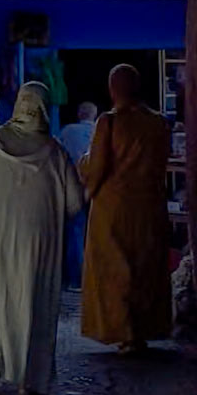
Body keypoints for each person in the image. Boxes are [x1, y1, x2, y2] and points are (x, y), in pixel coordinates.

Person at [0, 83, 84, 395]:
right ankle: (28, 376)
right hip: (37, 242)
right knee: (31, 303)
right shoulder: (55, 152)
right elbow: (75, 203)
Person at [80, 63, 175, 352]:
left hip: (113, 207)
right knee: (146, 267)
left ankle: (123, 332)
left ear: (113, 89)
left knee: (115, 270)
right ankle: (144, 329)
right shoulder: (159, 123)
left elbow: (97, 166)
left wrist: (84, 175)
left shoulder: (109, 122)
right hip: (149, 205)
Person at [57, 101, 98, 288]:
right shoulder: (101, 131)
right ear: (94, 115)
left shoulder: (66, 131)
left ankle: (75, 279)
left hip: (72, 185)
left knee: (75, 231)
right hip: (97, 187)